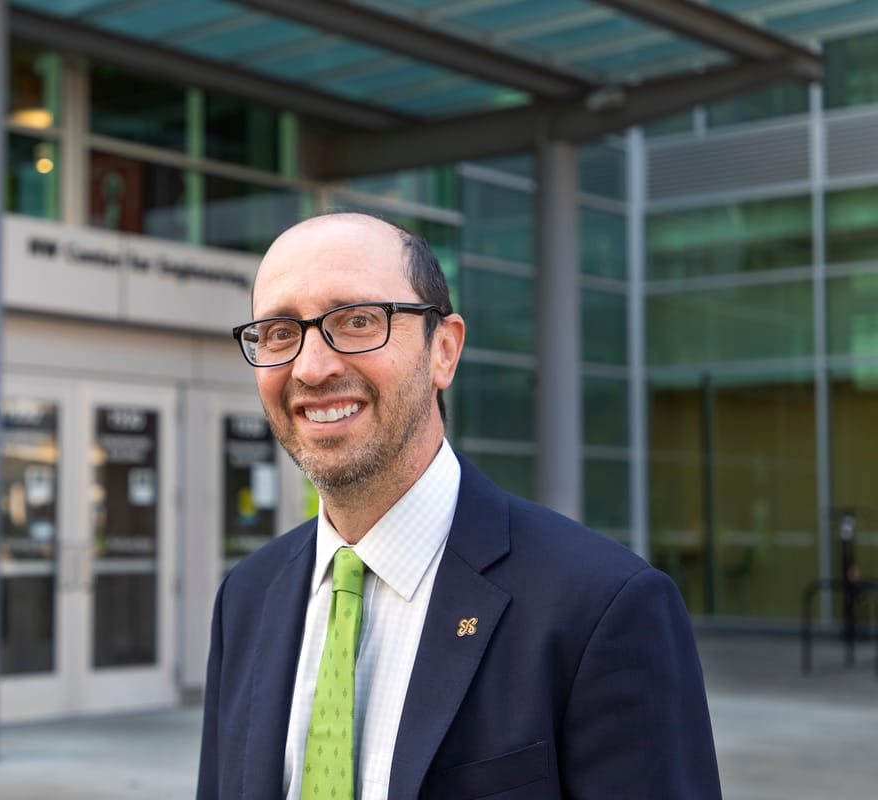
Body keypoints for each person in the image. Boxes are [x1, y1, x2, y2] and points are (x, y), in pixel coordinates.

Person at [197, 211, 721, 799]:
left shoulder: (603, 607)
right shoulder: (246, 599)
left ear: (443, 350)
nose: (312, 367)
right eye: (278, 333)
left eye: (358, 321)